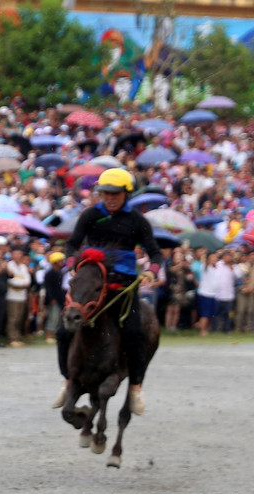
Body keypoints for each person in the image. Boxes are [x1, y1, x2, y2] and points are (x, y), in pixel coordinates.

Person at [52, 168, 161, 415]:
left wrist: (151, 271)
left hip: (123, 286)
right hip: (92, 282)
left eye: (116, 194)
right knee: (62, 331)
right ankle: (68, 380)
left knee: (135, 332)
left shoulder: (137, 220)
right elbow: (71, 245)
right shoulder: (91, 215)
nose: (110, 198)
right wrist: (72, 264)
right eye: (105, 193)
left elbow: (155, 253)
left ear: (126, 193)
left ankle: (135, 387)